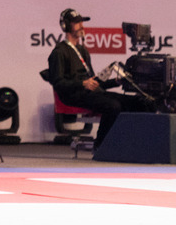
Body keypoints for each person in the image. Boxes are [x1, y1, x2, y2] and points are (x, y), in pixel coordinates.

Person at [47, 9, 153, 150]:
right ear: (65, 26)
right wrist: (82, 84)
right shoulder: (59, 52)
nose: (81, 26)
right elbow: (58, 83)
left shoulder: (82, 50)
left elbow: (94, 82)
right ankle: (102, 145)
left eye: (81, 22)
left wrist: (115, 82)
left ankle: (137, 145)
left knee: (140, 102)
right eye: (77, 23)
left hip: (91, 93)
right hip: (73, 95)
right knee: (113, 106)